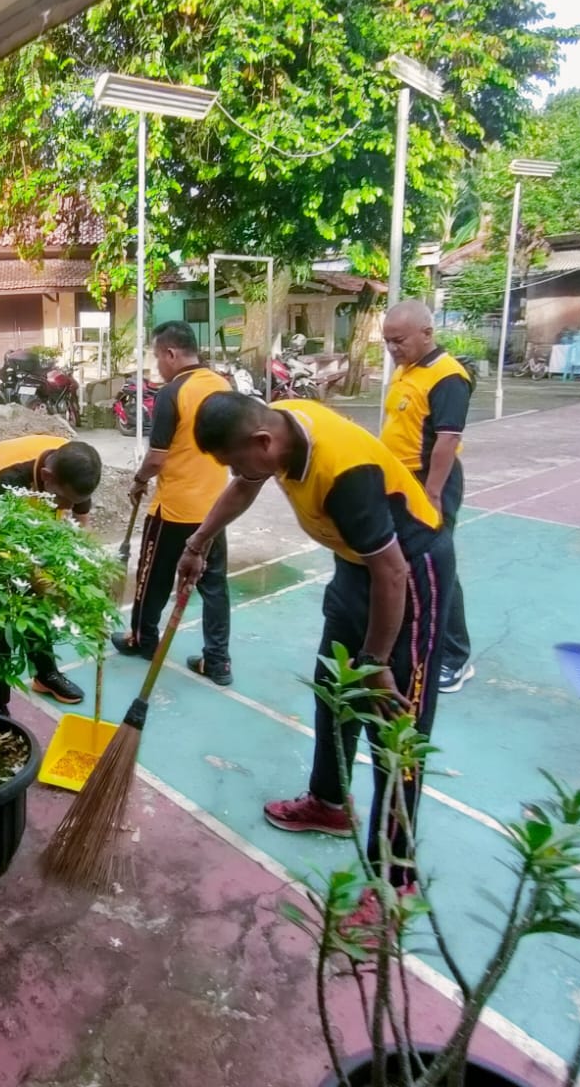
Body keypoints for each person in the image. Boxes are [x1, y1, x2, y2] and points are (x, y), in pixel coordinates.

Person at [177, 393, 452, 890]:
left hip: (410, 575)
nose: (238, 471)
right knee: (334, 689)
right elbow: (245, 485)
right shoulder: (278, 427)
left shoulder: (346, 474)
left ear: (262, 442)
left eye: (237, 460)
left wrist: (377, 661)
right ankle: (329, 804)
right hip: (356, 564)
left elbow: (392, 572)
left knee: (394, 727)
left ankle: (395, 879)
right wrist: (197, 543)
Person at [111, 320, 232, 684]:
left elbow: (157, 457)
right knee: (214, 585)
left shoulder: (172, 393)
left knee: (153, 577)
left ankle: (143, 638)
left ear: (171, 353)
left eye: (156, 358)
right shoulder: (223, 385)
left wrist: (138, 480)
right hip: (216, 508)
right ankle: (218, 660)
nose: (156, 367)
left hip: (175, 508)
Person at [0, 435, 102, 713]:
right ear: (47, 476)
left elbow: (81, 526)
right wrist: (47, 584)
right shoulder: (9, 476)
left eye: (72, 502)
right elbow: (6, 546)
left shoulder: (76, 467)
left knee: (39, 609)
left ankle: (45, 674)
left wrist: (84, 574)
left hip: (30, 523)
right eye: (62, 499)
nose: (65, 506)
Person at [381, 299, 474, 692]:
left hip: (429, 481)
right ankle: (409, 637)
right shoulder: (408, 370)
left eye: (398, 340)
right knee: (406, 563)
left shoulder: (447, 376)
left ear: (426, 333)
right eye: (387, 342)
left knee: (437, 565)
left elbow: (447, 440)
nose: (392, 349)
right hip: (401, 480)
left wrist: (432, 494)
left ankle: (455, 656)